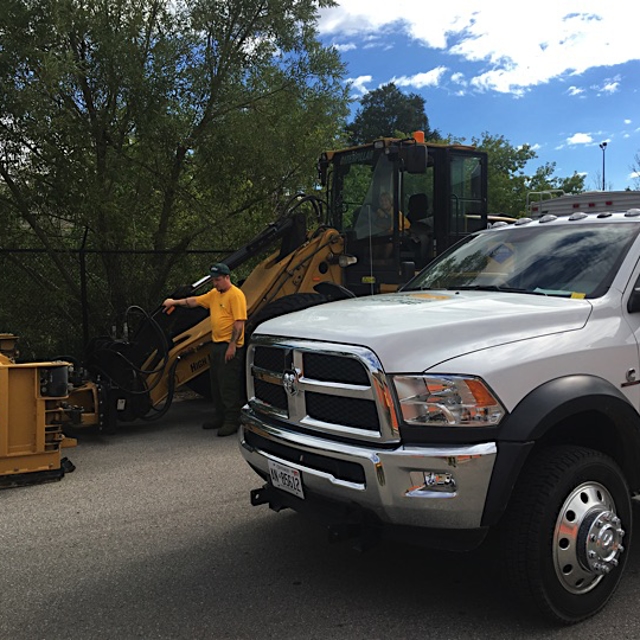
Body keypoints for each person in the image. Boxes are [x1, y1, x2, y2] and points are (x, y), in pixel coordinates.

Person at [162, 263, 247, 437]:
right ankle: (219, 416)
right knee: (215, 383)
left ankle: (231, 420)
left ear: (226, 277)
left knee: (228, 385)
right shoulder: (214, 295)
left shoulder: (236, 295)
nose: (215, 283)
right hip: (216, 344)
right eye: (213, 280)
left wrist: (232, 345)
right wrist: (175, 302)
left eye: (218, 280)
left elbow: (239, 323)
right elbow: (195, 301)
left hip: (229, 346)